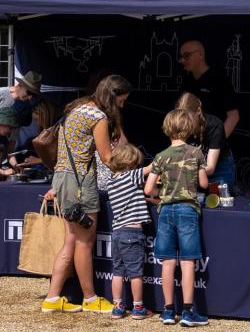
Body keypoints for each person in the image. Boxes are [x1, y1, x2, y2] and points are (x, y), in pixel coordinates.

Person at [41, 74, 131, 314]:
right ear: (112, 98)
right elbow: (107, 157)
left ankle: (52, 298)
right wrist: (135, 169)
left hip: (63, 179)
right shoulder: (99, 118)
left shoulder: (78, 109)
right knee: (84, 242)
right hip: (81, 182)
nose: (122, 106)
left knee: (70, 241)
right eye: (121, 101)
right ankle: (91, 299)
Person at [145, 109, 209, 327]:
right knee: (188, 261)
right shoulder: (196, 153)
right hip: (188, 210)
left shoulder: (161, 156)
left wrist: (160, 195)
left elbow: (148, 188)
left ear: (167, 129)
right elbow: (203, 184)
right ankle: (189, 312)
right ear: (189, 129)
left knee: (168, 261)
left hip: (165, 212)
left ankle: (168, 310)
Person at [179, 40, 240, 185]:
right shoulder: (185, 82)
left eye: (186, 56)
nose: (182, 60)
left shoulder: (219, 79)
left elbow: (234, 116)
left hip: (219, 161)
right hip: (192, 159)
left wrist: (214, 145)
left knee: (221, 204)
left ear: (200, 55)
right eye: (181, 56)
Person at [106, 142, 153, 320]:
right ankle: (138, 307)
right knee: (136, 273)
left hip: (117, 232)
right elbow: (151, 168)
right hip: (132, 232)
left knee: (117, 271)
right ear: (131, 162)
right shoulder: (131, 176)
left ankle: (117, 307)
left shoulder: (112, 181)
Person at [175, 93, 228, 189]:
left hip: (220, 167)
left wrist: (179, 172)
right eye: (182, 120)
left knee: (219, 194)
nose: (185, 124)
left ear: (198, 111)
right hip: (191, 171)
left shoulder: (215, 125)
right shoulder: (181, 126)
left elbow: (211, 168)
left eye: (188, 119)